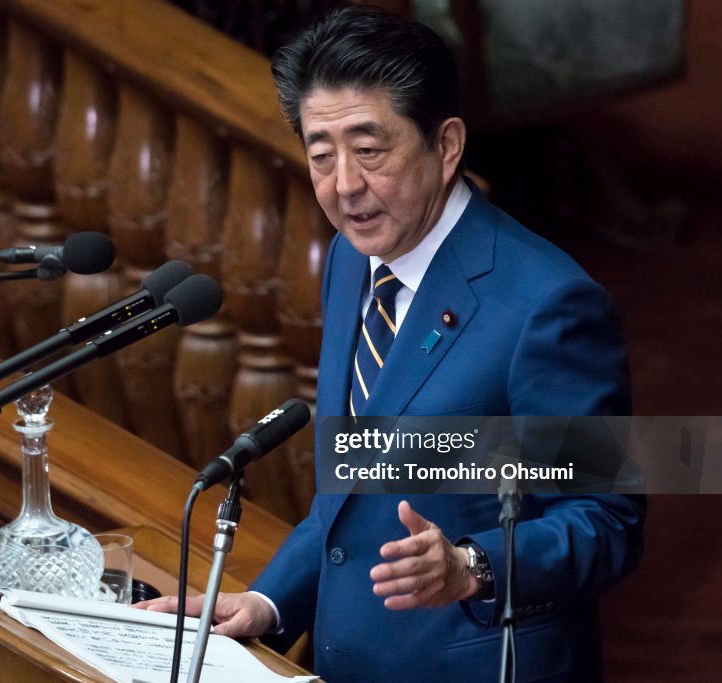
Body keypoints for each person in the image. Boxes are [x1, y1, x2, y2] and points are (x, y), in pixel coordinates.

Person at [139, 6, 644, 681]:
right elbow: (351, 489)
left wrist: (472, 564)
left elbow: (607, 519)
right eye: (321, 155)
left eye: (369, 151)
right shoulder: (355, 260)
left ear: (447, 144)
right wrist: (267, 601)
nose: (344, 185)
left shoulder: (549, 306)